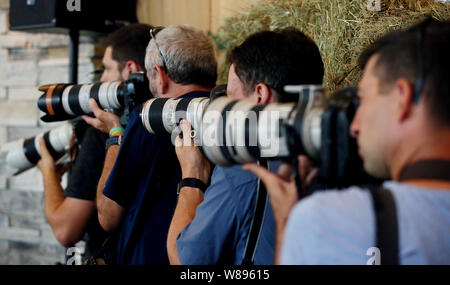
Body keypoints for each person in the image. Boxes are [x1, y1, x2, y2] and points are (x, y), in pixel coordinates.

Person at [245, 18, 450, 265]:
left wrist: (288, 221)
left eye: (362, 100)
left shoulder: (329, 220)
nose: (354, 126)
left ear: (401, 98)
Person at [167, 28, 325, 265]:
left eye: (231, 96)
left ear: (260, 94)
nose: (225, 106)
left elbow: (184, 262)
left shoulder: (245, 169)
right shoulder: (342, 154)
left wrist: (192, 175)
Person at [84, 24, 218, 265]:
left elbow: (108, 217)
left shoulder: (148, 118)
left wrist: (115, 133)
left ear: (160, 73)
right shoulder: (231, 117)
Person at [37, 23, 151, 262]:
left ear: (130, 69)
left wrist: (47, 170)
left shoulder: (105, 133)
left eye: (107, 68)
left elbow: (66, 230)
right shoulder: (165, 122)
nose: (104, 79)